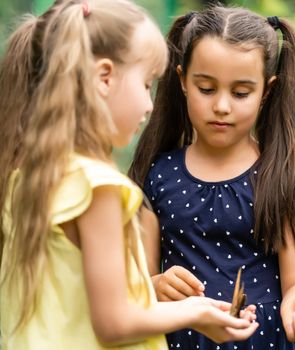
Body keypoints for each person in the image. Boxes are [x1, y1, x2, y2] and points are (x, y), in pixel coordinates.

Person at [0, 1, 259, 349]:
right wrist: (195, 312)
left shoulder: (24, 177)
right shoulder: (99, 189)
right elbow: (114, 323)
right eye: (146, 83)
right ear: (105, 77)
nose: (150, 104)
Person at [129, 5, 295, 349]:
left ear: (266, 91)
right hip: (181, 338)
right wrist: (158, 286)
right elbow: (138, 282)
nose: (222, 106)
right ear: (182, 81)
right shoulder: (156, 174)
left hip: (263, 341)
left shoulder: (285, 176)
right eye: (207, 88)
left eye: (240, 93)